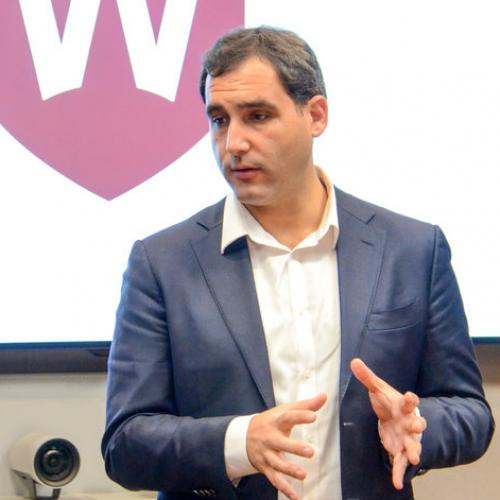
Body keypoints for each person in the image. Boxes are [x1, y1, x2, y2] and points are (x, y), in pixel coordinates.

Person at [102, 26, 494, 500]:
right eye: (219, 120)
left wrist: (419, 425)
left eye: (258, 116)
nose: (233, 143)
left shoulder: (412, 249)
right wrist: (236, 443)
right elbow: (125, 444)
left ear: (316, 115)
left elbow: (470, 412)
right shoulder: (161, 263)